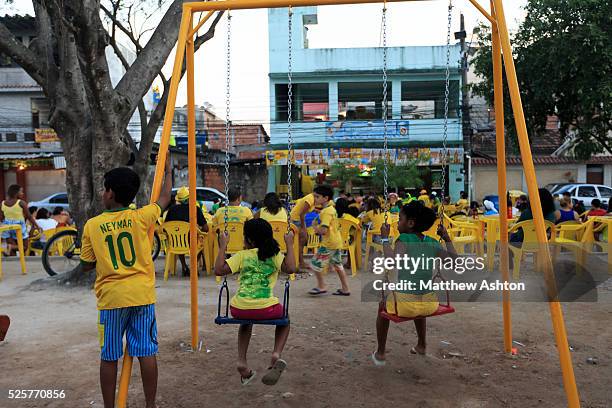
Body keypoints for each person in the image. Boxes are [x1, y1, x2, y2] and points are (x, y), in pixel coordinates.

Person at [80, 161, 172, 408]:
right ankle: (150, 404)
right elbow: (165, 198)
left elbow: (87, 264)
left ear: (109, 193)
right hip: (142, 296)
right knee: (146, 352)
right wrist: (168, 172)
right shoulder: (142, 217)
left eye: (103, 189)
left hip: (111, 300)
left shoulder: (92, 226)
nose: (102, 193)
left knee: (109, 356)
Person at [372, 201, 456, 365]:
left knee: (382, 306)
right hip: (429, 305)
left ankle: (380, 353)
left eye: (400, 219)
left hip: (405, 306)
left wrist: (384, 239)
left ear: (410, 223)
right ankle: (421, 345)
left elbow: (391, 262)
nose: (397, 223)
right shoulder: (433, 241)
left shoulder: (404, 239)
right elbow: (454, 262)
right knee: (419, 300)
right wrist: (446, 237)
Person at [214, 218, 296, 386]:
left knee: (246, 322)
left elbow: (219, 270)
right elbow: (291, 268)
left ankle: (242, 362)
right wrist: (290, 244)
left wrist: (223, 246)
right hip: (267, 309)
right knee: (285, 320)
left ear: (249, 240)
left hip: (239, 309)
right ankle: (276, 354)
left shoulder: (242, 256)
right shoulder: (274, 256)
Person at [307, 185, 350, 296]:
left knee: (315, 264)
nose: (315, 199)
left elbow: (324, 230)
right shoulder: (331, 209)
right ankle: (345, 289)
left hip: (328, 244)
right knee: (338, 265)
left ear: (325, 198)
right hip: (336, 242)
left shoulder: (326, 212)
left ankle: (322, 286)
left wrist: (316, 228)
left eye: (317, 196)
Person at [164, 186, 209, 276]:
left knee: (179, 242)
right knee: (200, 243)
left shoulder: (172, 210)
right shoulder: (195, 209)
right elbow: (206, 228)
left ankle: (184, 266)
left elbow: (165, 226)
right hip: (192, 242)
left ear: (179, 200)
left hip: (175, 243)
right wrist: (199, 230)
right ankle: (194, 266)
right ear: (189, 198)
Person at [1, 184, 40, 255]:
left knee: (12, 249)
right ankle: (11, 247)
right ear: (16, 193)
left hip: (7, 226)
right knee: (24, 247)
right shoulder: (21, 203)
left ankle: (10, 249)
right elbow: (29, 216)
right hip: (19, 226)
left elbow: (2, 217)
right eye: (21, 191)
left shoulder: (3, 203)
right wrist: (37, 225)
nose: (22, 193)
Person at [289, 192, 315, 269]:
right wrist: (303, 228)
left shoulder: (310, 198)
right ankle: (300, 263)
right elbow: (301, 214)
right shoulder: (310, 199)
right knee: (301, 241)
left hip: (296, 219)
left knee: (301, 242)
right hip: (296, 220)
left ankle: (300, 262)